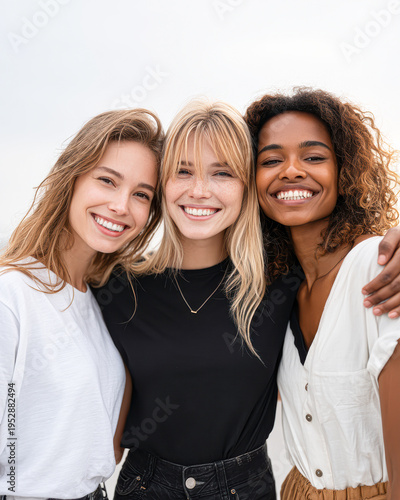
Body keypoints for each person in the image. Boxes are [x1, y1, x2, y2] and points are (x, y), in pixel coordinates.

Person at [96, 98, 400, 500]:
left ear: (246, 184)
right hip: (144, 485)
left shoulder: (279, 284)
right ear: (161, 185)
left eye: (222, 172)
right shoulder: (115, 287)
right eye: (182, 171)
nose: (199, 190)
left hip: (246, 487)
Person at [0, 108, 163, 500]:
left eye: (141, 194)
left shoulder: (101, 298)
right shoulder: (13, 296)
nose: (122, 206)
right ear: (71, 179)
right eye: (107, 181)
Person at [245, 87, 400, 499]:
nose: (291, 171)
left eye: (313, 157)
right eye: (271, 160)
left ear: (344, 170)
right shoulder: (277, 289)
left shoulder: (380, 267)